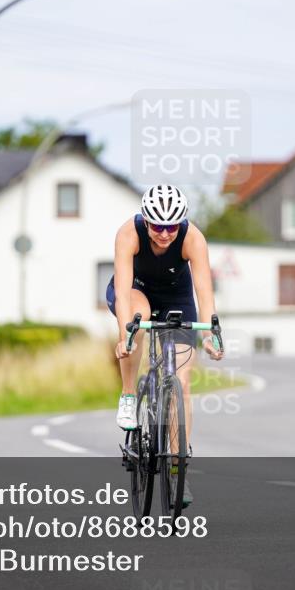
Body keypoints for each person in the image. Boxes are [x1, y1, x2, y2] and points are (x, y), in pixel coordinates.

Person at [106, 184, 224, 506]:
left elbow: (204, 294)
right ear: (146, 220)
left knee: (182, 384)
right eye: (157, 226)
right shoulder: (128, 234)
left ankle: (176, 468)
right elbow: (122, 290)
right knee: (139, 318)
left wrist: (210, 336)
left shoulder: (192, 238)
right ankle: (129, 394)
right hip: (136, 292)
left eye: (172, 226)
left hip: (176, 297)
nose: (164, 234)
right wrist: (125, 336)